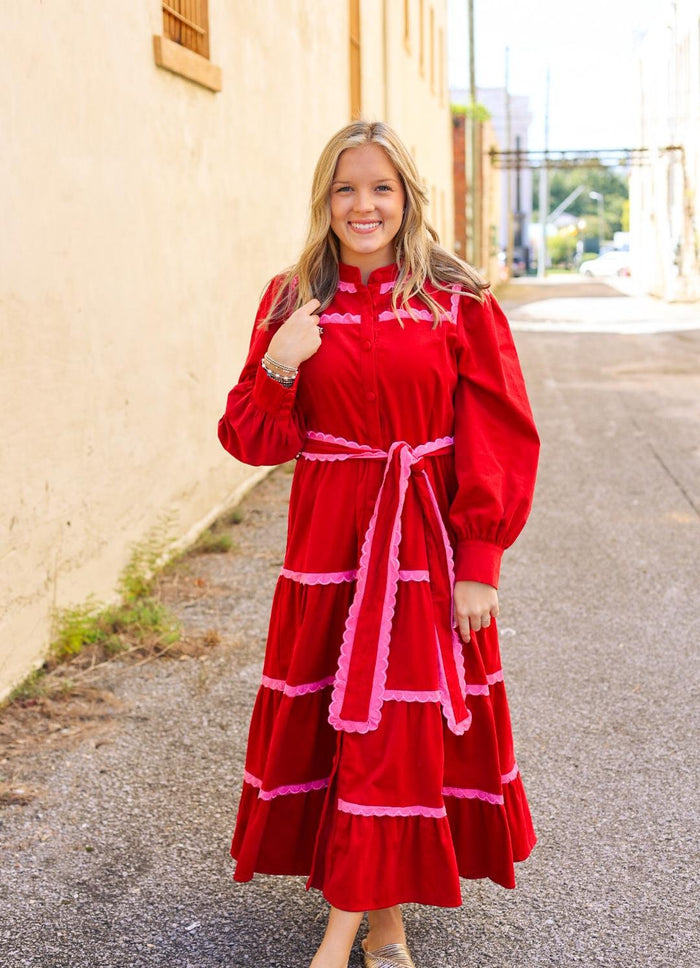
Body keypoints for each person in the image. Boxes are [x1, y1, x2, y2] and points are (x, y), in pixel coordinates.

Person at [217, 120, 540, 968]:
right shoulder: (289, 301)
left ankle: (338, 941)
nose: (364, 206)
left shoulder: (455, 298)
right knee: (348, 729)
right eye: (346, 188)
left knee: (395, 730)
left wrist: (481, 563)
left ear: (408, 197)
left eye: (381, 188)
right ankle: (386, 926)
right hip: (329, 544)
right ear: (325, 200)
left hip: (424, 542)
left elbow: (500, 431)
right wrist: (281, 365)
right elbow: (253, 442)